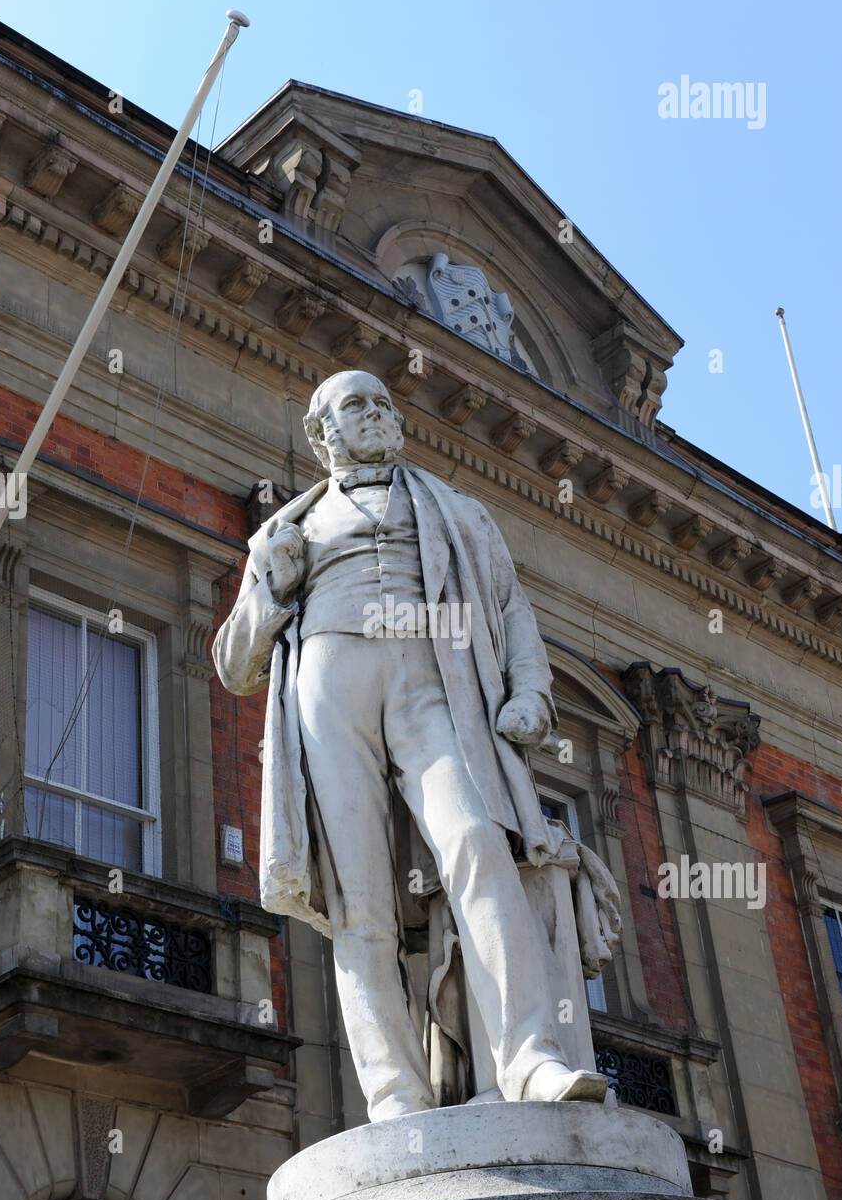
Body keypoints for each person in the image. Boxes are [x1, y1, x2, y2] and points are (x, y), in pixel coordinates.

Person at [213, 370, 620, 1122]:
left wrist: (529, 691)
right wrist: (270, 589)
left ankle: (530, 1055)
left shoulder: (458, 512)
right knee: (357, 898)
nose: (373, 415)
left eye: (381, 404)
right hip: (330, 682)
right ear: (320, 433)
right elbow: (235, 664)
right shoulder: (285, 532)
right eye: (354, 406)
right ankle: (394, 1094)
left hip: (434, 676)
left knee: (477, 843)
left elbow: (510, 607)